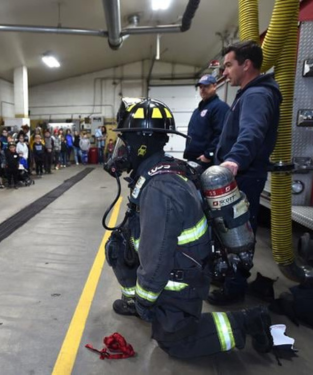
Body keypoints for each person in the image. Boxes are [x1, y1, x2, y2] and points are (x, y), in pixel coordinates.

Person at [105, 97, 273, 359]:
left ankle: (248, 321)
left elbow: (157, 255)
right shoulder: (154, 172)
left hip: (182, 277)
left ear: (142, 143)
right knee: (117, 247)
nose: (121, 149)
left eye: (126, 141)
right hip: (174, 259)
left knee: (175, 342)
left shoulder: (160, 188)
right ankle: (135, 301)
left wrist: (146, 298)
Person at [210, 40, 282, 306]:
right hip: (242, 175)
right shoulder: (249, 92)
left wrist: (234, 161)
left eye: (229, 65)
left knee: (238, 234)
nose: (225, 72)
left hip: (244, 177)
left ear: (246, 64)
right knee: (228, 230)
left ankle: (234, 288)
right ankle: (228, 275)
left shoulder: (256, 95)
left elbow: (252, 132)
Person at [184, 75, 229, 169]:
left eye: (206, 86)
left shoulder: (220, 108)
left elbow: (221, 134)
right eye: (201, 87)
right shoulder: (198, 110)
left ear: (214, 86)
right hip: (194, 159)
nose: (203, 89)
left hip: (207, 162)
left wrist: (208, 155)